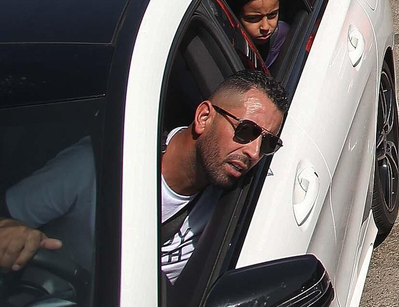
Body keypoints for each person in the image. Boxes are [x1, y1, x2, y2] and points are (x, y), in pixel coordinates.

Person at [0, 70, 286, 282]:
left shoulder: (238, 197)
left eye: (268, 143)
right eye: (246, 130)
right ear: (203, 118)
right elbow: (9, 217)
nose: (253, 152)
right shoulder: (96, 165)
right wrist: (11, 231)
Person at [227, 0, 291, 71]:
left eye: (272, 15)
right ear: (234, 16)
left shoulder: (283, 36)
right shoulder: (226, 44)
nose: (265, 27)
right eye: (253, 18)